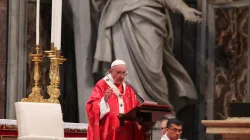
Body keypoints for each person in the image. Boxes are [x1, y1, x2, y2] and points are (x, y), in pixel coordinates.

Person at [92, 0, 202, 113]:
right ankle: (132, 111)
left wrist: (184, 9)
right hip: (121, 14)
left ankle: (160, 111)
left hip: (149, 16)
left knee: (153, 69)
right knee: (126, 70)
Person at [86, 59, 144, 140]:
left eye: (124, 73)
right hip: (108, 129)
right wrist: (104, 100)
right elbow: (91, 107)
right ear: (111, 71)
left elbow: (135, 107)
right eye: (118, 72)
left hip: (127, 129)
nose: (121, 76)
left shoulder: (128, 87)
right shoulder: (101, 84)